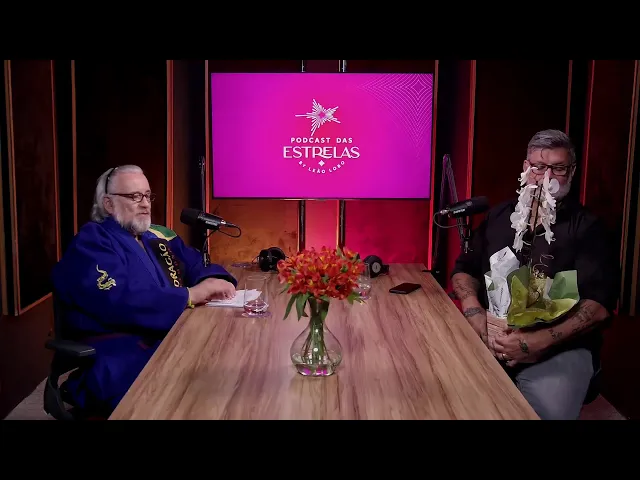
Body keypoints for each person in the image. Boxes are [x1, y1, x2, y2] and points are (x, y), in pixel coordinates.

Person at [451, 129, 620, 420]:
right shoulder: (499, 216)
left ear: (572, 171)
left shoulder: (589, 228)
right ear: (526, 168)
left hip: (560, 347)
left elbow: (599, 307)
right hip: (491, 334)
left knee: (546, 412)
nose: (547, 177)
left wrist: (539, 342)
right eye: (539, 167)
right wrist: (474, 315)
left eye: (558, 168)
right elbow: (464, 271)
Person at [51, 165, 238, 415]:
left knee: (223, 368)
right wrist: (190, 295)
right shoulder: (92, 241)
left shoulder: (156, 237)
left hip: (166, 339)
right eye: (134, 196)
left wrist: (215, 279)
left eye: (148, 196)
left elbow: (195, 264)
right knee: (191, 390)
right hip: (121, 351)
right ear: (108, 204)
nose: (145, 204)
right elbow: (119, 299)